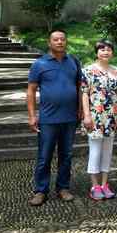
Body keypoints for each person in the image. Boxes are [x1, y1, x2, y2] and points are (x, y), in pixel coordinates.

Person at [27, 29, 82, 206]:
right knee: (44, 156)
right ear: (49, 43)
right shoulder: (39, 64)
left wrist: (81, 109)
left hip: (70, 118)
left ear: (66, 41)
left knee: (66, 155)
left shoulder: (73, 61)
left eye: (62, 39)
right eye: (56, 39)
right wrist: (32, 115)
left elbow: (79, 87)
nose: (59, 42)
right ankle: (41, 190)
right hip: (48, 119)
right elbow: (31, 90)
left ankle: (63, 188)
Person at [81, 39, 117, 201]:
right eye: (102, 49)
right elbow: (84, 93)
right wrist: (86, 115)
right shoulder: (88, 71)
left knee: (108, 151)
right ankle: (95, 186)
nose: (105, 52)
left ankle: (105, 184)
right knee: (95, 150)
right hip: (95, 116)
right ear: (97, 52)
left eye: (108, 49)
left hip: (111, 116)